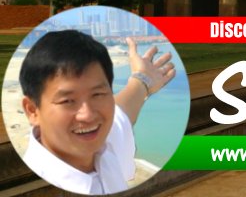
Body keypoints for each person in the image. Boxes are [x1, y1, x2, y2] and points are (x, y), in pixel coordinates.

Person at [18, 30, 177, 195]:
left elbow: (122, 112)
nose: (87, 115)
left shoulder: (104, 145)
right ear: (32, 110)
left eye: (98, 94)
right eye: (67, 101)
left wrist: (143, 79)